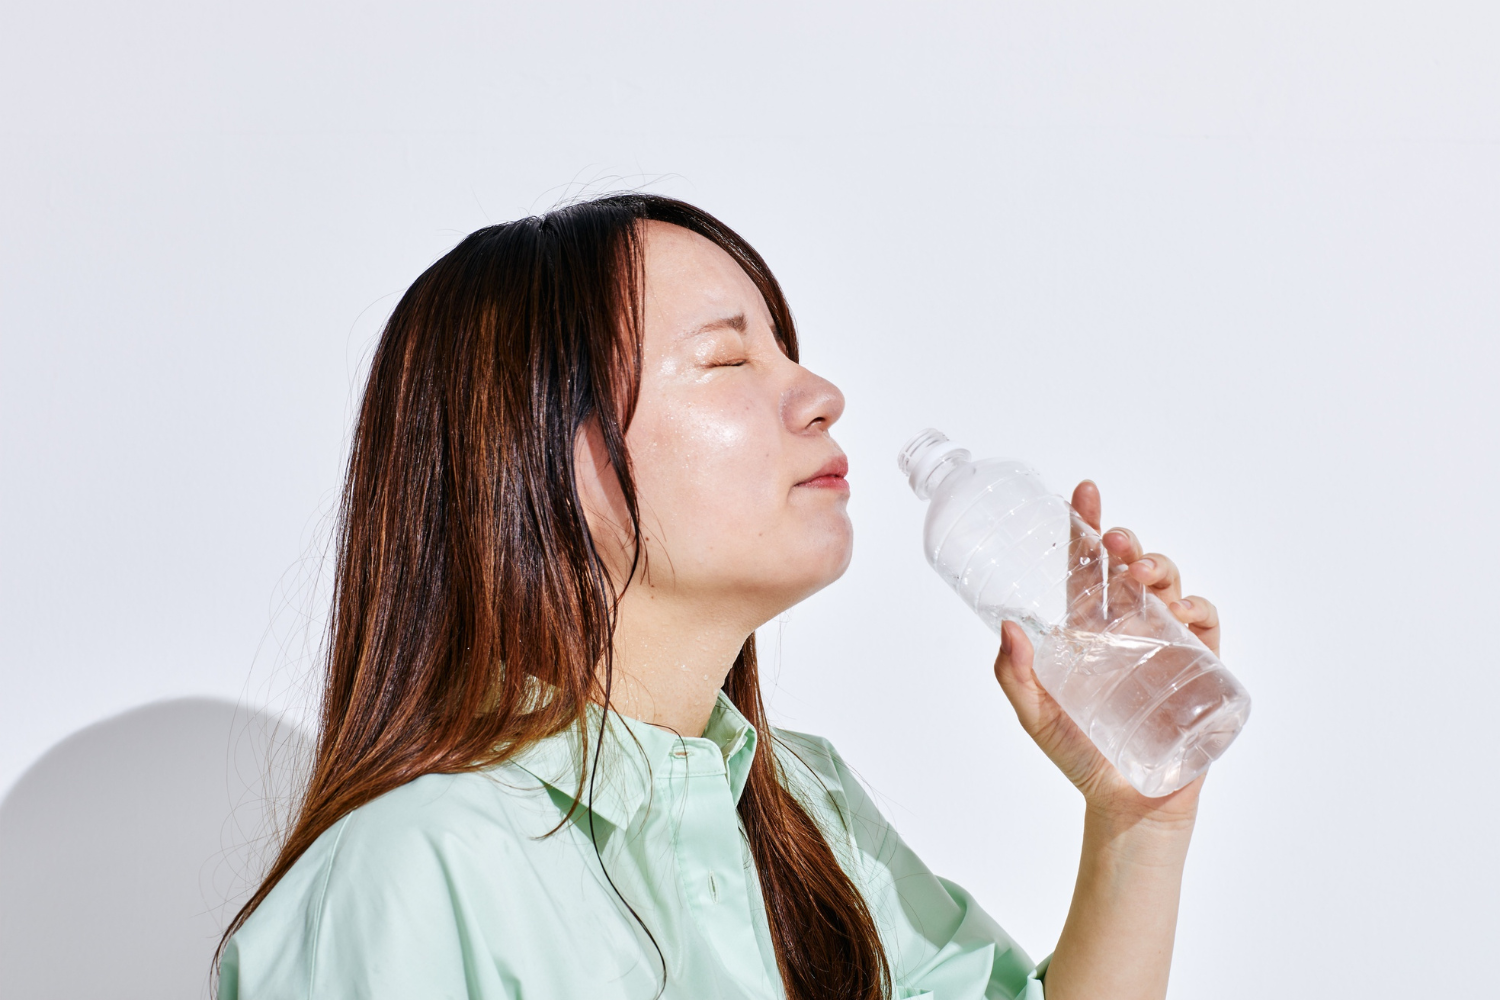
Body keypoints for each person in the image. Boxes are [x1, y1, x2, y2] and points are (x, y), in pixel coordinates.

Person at [217, 194, 1221, 1000]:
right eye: (730, 357)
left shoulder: (799, 810)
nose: (822, 392)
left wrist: (1139, 814)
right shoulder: (413, 879)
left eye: (786, 348)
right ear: (541, 457)